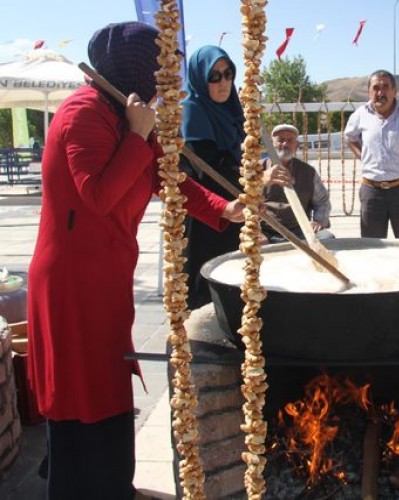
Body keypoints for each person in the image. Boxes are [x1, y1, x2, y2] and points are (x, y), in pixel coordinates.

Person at [25, 22, 244, 499]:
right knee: (77, 396)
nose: (166, 83)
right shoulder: (82, 113)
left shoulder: (127, 115)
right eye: (158, 70)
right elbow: (99, 196)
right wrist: (135, 134)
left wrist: (224, 208)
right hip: (70, 283)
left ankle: (113, 486)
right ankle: (76, 489)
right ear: (132, 70)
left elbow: (172, 179)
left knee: (108, 386)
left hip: (106, 277)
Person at [180, 45, 246, 309]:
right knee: (204, 291)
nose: (223, 83)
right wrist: (255, 178)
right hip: (205, 215)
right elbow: (208, 170)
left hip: (233, 213)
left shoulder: (232, 111)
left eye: (228, 74)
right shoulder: (192, 110)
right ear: (199, 78)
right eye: (214, 76)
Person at [344, 70, 399, 240]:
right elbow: (349, 137)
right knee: (371, 247)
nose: (380, 93)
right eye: (376, 88)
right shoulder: (360, 115)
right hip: (372, 193)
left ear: (394, 90)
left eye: (385, 87)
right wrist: (363, 156)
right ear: (369, 92)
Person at [261, 123, 334, 243]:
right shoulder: (257, 169)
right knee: (250, 244)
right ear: (272, 144)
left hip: (299, 230)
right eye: (281, 140)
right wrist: (255, 231)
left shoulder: (308, 172)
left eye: (290, 140)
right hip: (265, 231)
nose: (285, 144)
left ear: (296, 145)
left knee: (327, 239)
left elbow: (322, 202)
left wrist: (318, 221)